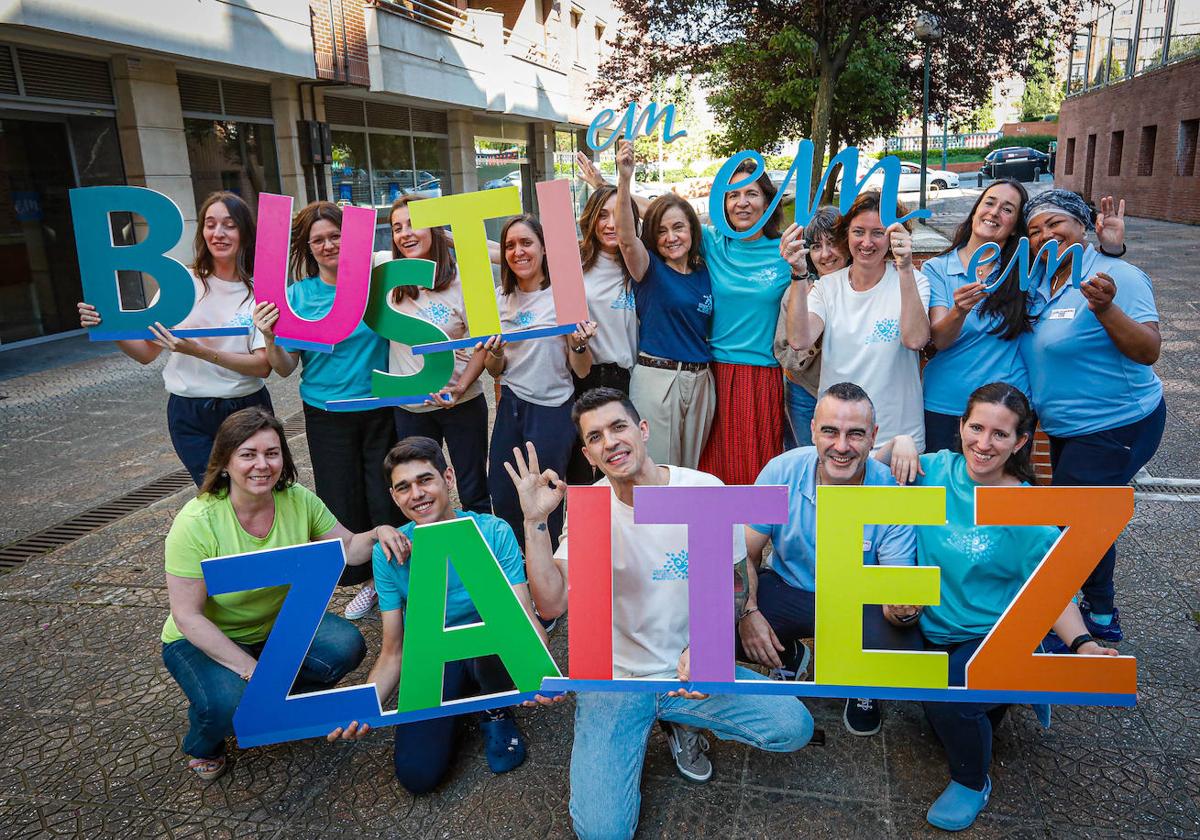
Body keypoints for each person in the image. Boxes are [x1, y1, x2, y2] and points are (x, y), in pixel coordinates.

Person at [513, 387, 814, 840]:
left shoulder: (704, 488)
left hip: (688, 671)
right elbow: (552, 601)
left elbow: (735, 581)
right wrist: (535, 522)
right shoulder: (590, 506)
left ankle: (680, 721)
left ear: (643, 429)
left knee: (793, 727)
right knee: (602, 833)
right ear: (589, 455)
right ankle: (658, 723)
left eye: (618, 427)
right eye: (596, 437)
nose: (610, 441)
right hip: (615, 681)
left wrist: (709, 644)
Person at [879, 383, 1119, 831]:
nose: (984, 444)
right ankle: (989, 703)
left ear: (1020, 442)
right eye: (976, 427)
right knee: (937, 715)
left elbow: (1053, 587)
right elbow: (858, 467)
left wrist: (1083, 643)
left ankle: (972, 782)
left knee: (951, 706)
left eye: (1000, 435)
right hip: (932, 631)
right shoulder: (933, 469)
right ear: (961, 427)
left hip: (992, 637)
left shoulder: (1025, 509)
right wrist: (900, 441)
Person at [160, 407, 404, 781]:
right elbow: (187, 615)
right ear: (225, 462)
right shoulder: (196, 522)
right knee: (228, 705)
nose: (262, 464)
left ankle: (283, 700)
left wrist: (378, 532)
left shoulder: (296, 498)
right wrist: (253, 672)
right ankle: (203, 741)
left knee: (346, 646)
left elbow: (349, 547)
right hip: (203, 639)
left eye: (272, 453)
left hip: (277, 628)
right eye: (248, 454)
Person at [326, 436, 544, 792]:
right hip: (433, 656)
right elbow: (394, 649)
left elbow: (525, 620)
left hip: (491, 651)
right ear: (395, 496)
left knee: (491, 633)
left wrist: (539, 671)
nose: (417, 494)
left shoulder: (492, 531)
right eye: (404, 487)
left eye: (425, 479)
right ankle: (455, 703)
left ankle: (494, 708)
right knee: (418, 776)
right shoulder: (389, 552)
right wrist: (362, 704)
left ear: (449, 478)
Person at [577, 151, 791, 485]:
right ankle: (663, 537)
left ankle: (743, 536)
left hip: (740, 378)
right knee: (675, 472)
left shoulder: (783, 250)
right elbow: (651, 216)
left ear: (769, 200)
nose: (742, 202)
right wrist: (617, 180)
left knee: (717, 475)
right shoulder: (713, 243)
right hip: (707, 372)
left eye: (752, 192)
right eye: (733, 194)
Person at [1020, 189, 1164, 643]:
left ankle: (1067, 623)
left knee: (1068, 525)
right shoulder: (1040, 283)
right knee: (1084, 519)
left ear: (1083, 226)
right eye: (1035, 229)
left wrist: (1104, 308)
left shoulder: (1117, 273)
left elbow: (1148, 349)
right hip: (1068, 429)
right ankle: (1099, 610)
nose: (1046, 235)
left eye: (1056, 223)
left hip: (1117, 422)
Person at [739, 381, 923, 737]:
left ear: (874, 436)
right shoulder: (780, 471)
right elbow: (743, 553)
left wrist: (903, 610)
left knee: (906, 643)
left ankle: (863, 682)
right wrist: (748, 613)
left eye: (855, 434)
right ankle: (790, 656)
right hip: (790, 589)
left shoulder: (892, 492)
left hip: (859, 601)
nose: (841, 446)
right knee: (723, 622)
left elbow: (897, 582)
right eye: (830, 431)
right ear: (812, 431)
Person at [253, 201, 399, 622]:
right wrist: (269, 338)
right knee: (342, 498)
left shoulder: (379, 284)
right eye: (318, 239)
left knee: (385, 495)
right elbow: (284, 368)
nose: (328, 245)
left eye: (335, 235)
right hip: (325, 412)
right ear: (307, 247)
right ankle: (369, 582)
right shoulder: (297, 296)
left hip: (380, 406)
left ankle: (395, 578)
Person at [77, 191, 272, 484]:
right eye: (210, 224)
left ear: (244, 231)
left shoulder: (260, 290)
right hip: (189, 411)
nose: (218, 233)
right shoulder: (180, 284)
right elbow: (146, 353)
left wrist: (199, 351)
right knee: (214, 494)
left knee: (254, 492)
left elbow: (262, 366)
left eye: (229, 225)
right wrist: (109, 325)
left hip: (245, 409)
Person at [922, 185, 1130, 452]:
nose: (995, 213)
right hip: (946, 402)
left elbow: (1077, 265)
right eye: (989, 203)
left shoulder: (1030, 267)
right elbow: (939, 339)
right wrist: (958, 311)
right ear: (975, 212)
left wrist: (1111, 250)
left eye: (1007, 209)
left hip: (1008, 408)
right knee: (943, 489)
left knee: (1004, 492)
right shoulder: (937, 268)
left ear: (1014, 227)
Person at [782, 191, 931, 450]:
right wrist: (799, 273)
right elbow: (799, 339)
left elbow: (915, 339)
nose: (867, 242)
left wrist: (906, 266)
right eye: (858, 231)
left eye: (878, 232)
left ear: (895, 235)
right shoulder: (827, 287)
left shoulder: (914, 281)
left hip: (899, 440)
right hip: (839, 439)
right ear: (847, 235)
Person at [484, 214, 595, 549]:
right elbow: (494, 368)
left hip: (552, 410)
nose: (518, 251)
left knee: (547, 500)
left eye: (526, 242)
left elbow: (582, 370)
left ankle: (550, 576)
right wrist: (496, 353)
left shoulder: (565, 295)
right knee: (504, 495)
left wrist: (579, 343)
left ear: (545, 249)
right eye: (510, 245)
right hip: (512, 406)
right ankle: (516, 569)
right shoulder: (499, 297)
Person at [375, 195, 490, 514]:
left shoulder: (468, 276)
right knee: (420, 495)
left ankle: (479, 557)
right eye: (397, 227)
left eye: (414, 223)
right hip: (410, 407)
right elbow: (343, 258)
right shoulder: (385, 271)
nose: (404, 234)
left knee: (474, 489)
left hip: (462, 401)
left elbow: (484, 344)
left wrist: (461, 386)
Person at [612, 138, 715, 469]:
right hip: (658, 379)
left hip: (700, 381)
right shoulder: (648, 269)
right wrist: (624, 179)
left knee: (690, 473)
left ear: (691, 230)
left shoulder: (703, 271)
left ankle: (685, 524)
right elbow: (627, 239)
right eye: (662, 231)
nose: (671, 237)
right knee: (657, 472)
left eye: (678, 228)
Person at [564, 181, 640, 484]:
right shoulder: (575, 266)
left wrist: (617, 181)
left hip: (636, 379)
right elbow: (511, 252)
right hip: (591, 378)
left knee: (631, 468)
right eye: (602, 215)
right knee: (590, 471)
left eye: (619, 215)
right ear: (591, 218)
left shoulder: (640, 264)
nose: (611, 224)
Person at [774, 206, 848, 449]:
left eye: (833, 243)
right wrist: (813, 336)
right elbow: (785, 352)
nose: (825, 254)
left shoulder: (864, 287)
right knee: (809, 456)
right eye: (816, 247)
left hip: (855, 392)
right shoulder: (798, 293)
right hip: (806, 393)